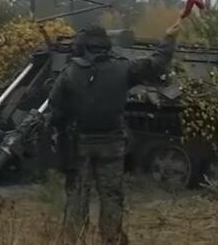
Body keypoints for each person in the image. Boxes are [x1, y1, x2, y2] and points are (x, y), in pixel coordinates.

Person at [48, 17, 183, 244]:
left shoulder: (70, 73)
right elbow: (157, 63)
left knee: (77, 196)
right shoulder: (123, 68)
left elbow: (55, 106)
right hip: (111, 145)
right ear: (106, 46)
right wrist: (169, 37)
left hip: (79, 145)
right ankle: (111, 239)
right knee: (111, 196)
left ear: (83, 46)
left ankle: (74, 239)